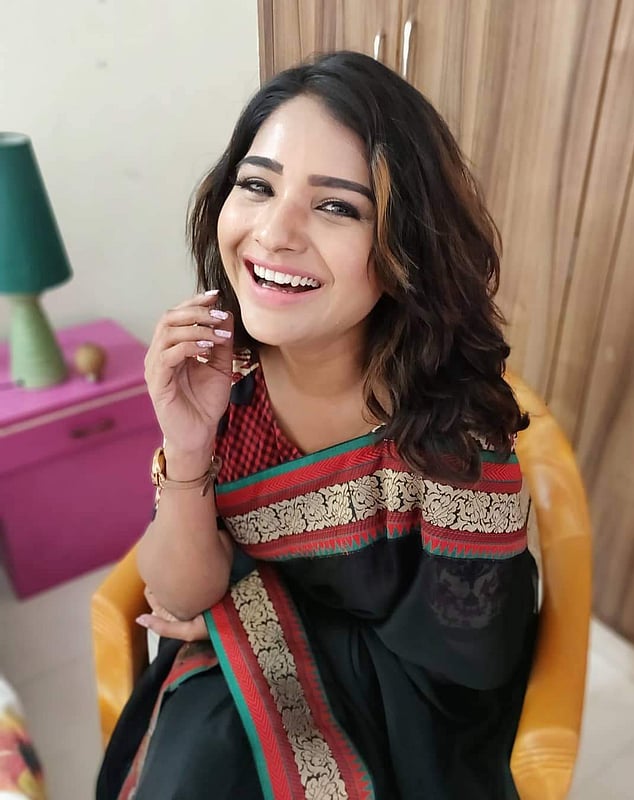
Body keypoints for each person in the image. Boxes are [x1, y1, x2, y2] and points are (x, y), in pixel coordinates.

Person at [97, 51, 538, 800]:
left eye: (337, 206)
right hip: (232, 683)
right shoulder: (224, 378)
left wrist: (241, 625)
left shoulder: (451, 427)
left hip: (402, 728)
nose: (275, 233)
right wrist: (188, 441)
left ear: (404, 245)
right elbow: (180, 597)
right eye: (257, 185)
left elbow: (466, 669)